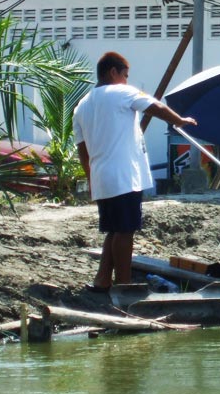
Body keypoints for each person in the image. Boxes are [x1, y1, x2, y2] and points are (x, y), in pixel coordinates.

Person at [73, 51, 197, 292]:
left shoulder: (82, 105)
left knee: (113, 229)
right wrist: (178, 120)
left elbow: (82, 150)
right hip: (123, 175)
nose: (127, 81)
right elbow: (154, 106)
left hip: (102, 176)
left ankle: (102, 280)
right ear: (113, 72)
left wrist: (90, 178)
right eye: (125, 75)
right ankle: (124, 283)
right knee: (125, 230)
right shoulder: (122, 92)